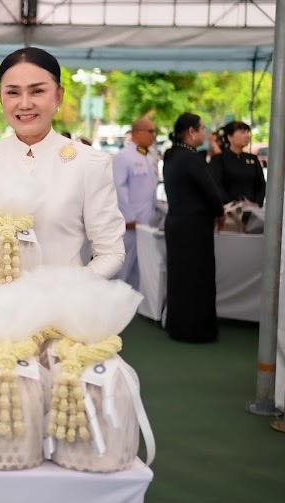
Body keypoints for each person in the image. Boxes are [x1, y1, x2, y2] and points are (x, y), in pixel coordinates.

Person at [0, 47, 125, 298]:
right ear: (0, 97)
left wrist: (70, 288)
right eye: (13, 92)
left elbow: (111, 252)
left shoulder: (89, 163)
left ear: (59, 95)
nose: (25, 104)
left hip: (63, 310)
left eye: (37, 91)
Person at [162, 112, 225, 343]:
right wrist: (220, 211)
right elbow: (210, 190)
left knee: (179, 277)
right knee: (198, 277)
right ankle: (197, 329)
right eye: (202, 128)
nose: (205, 133)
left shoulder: (171, 156)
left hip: (177, 222)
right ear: (191, 131)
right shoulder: (190, 158)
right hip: (194, 226)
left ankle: (178, 326)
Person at [112, 117, 160, 290]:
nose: (154, 135)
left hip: (146, 222)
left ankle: (133, 303)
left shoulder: (148, 156)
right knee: (122, 270)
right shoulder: (124, 157)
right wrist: (128, 218)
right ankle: (115, 302)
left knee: (139, 270)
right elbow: (118, 188)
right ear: (137, 133)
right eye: (150, 131)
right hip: (129, 225)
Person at [210, 120, 266, 206]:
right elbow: (216, 186)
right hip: (228, 209)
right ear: (229, 137)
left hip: (252, 209)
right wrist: (231, 205)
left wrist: (257, 204)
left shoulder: (252, 159)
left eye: (248, 132)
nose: (247, 135)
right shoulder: (219, 159)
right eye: (242, 132)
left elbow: (261, 184)